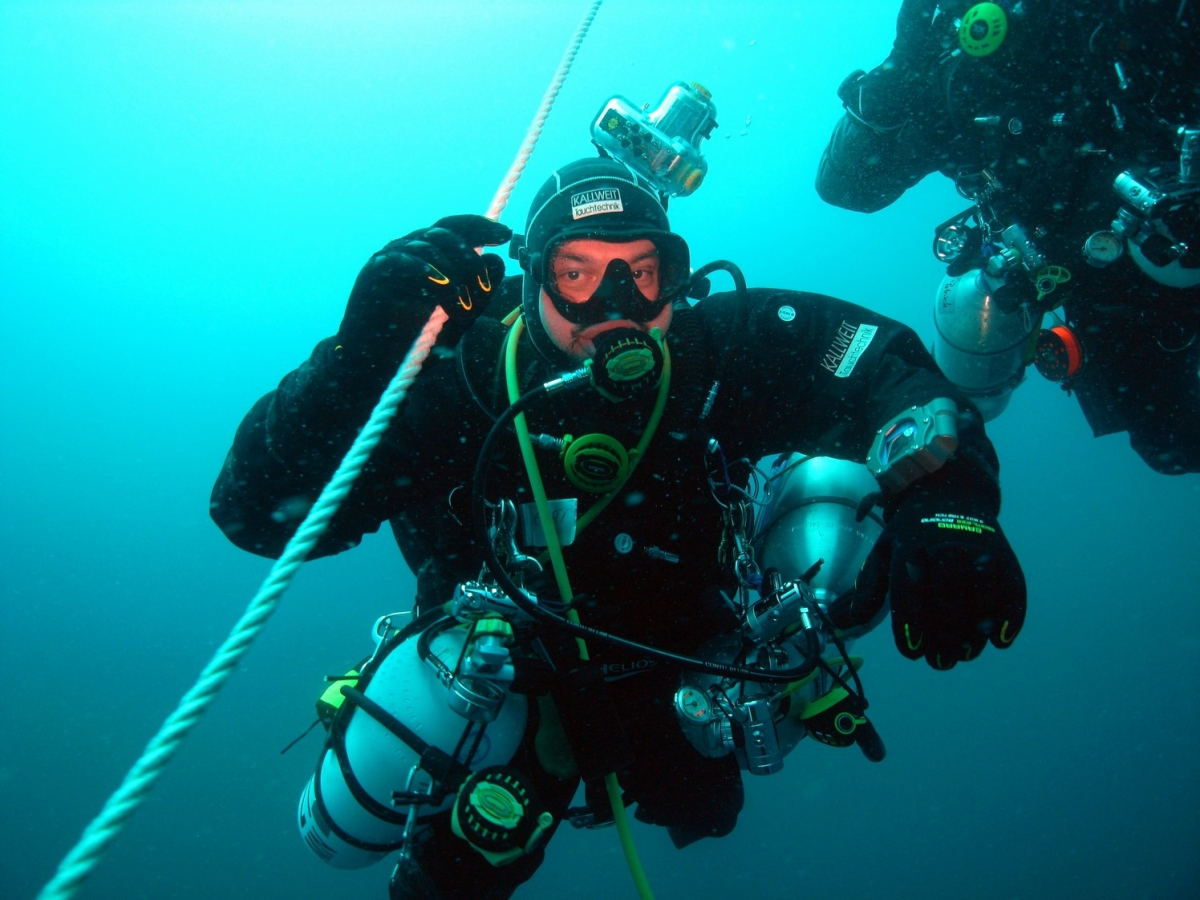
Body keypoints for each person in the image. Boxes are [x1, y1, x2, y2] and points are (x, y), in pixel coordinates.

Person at [211, 156, 1027, 899]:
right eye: (577, 274)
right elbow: (255, 512)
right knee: (449, 870)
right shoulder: (462, 385)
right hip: (505, 680)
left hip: (692, 661)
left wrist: (950, 503)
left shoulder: (718, 353)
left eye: (641, 273)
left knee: (834, 498)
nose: (616, 307)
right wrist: (352, 365)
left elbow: (883, 364)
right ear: (532, 281)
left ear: (675, 276)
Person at [816, 0, 1200, 474]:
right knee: (1168, 443)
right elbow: (847, 188)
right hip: (1094, 276)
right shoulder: (953, 72)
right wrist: (900, 66)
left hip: (1170, 218)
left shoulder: (1129, 19)